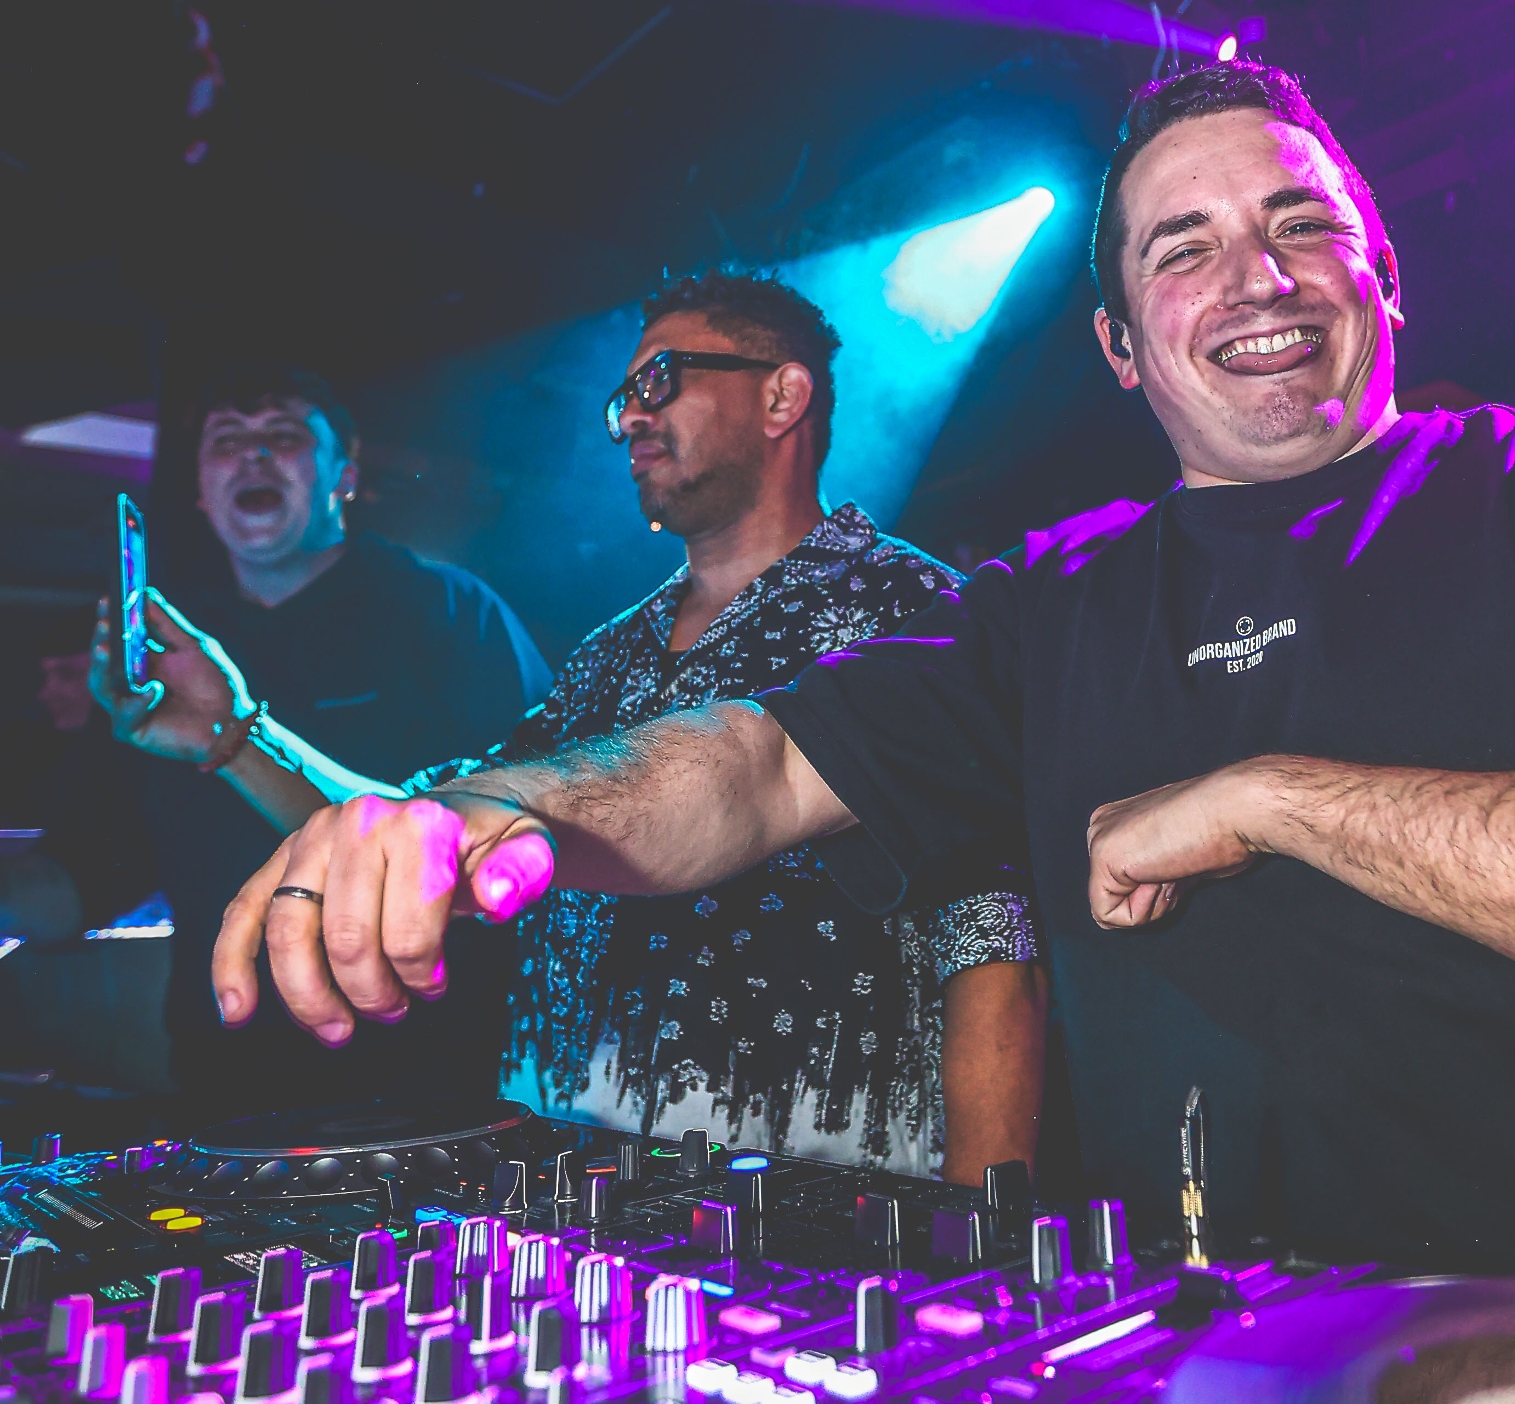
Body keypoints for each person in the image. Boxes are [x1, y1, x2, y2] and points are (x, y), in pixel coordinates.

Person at [214, 67, 1515, 1288]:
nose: (1260, 276)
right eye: (1184, 248)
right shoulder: (1052, 606)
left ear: (1382, 275)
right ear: (1122, 349)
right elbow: (753, 767)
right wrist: (466, 811)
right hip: (1197, 1370)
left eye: (1303, 224)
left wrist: (1268, 801)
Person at [113, 282, 1044, 1180]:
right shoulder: (608, 652)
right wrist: (235, 733)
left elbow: (991, 933)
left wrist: (985, 1236)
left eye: (659, 380)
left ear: (781, 396)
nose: (630, 417)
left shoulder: (914, 609)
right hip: (570, 1185)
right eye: (621, 400)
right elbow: (424, 830)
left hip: (814, 1194)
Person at [96, 362, 549, 1115]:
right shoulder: (169, 653)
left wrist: (237, 737)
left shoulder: (446, 610)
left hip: (429, 1073)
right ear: (200, 493)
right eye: (226, 441)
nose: (253, 455)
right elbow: (89, 864)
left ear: (345, 477)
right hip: (225, 1079)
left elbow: (494, 833)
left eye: (283, 435)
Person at [0, 623, 156, 945]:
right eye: (45, 678)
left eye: (67, 675)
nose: (46, 693)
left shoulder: (144, 754)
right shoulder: (39, 744)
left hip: (85, 899)